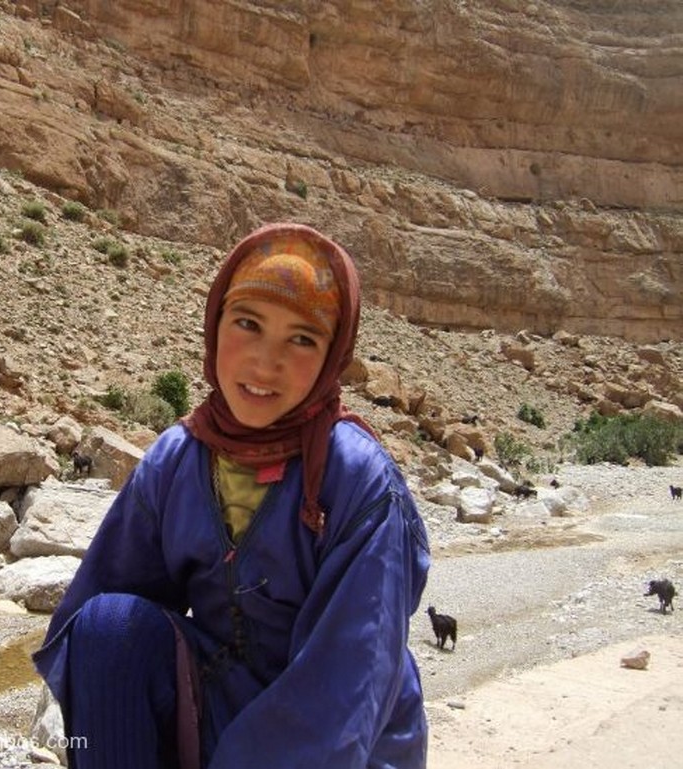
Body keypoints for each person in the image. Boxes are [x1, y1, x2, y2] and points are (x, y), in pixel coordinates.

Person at [33, 222, 431, 768]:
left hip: (343, 740)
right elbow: (100, 623)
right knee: (108, 627)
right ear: (215, 325)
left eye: (302, 339)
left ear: (333, 356)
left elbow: (351, 678)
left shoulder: (357, 478)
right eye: (248, 323)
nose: (266, 363)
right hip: (221, 702)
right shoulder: (179, 457)